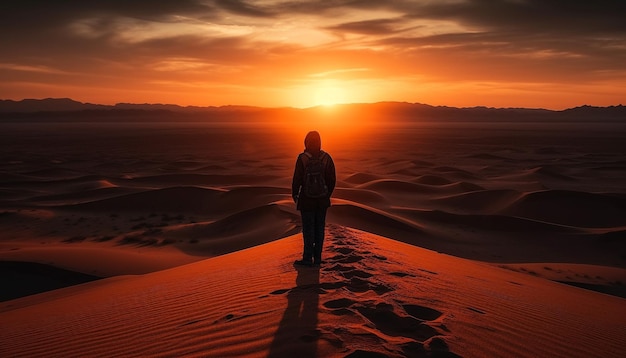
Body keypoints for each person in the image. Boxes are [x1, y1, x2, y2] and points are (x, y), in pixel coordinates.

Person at [292, 131, 336, 267]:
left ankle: (307, 258)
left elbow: (297, 179)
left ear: (306, 142)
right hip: (322, 201)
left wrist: (295, 195)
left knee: (308, 229)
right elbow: (332, 179)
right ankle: (317, 259)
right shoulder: (326, 158)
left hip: (306, 201)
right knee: (319, 229)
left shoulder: (302, 158)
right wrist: (326, 194)